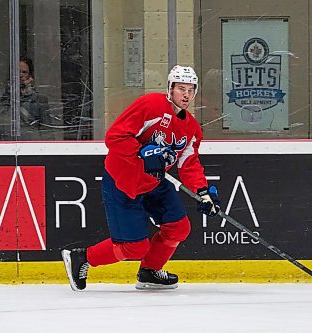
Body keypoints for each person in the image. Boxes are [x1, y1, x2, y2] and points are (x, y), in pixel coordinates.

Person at [61, 65, 221, 291]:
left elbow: (189, 163)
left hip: (155, 183)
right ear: (170, 89)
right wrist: (141, 153)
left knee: (179, 228)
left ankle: (149, 271)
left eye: (191, 90)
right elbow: (114, 138)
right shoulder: (151, 105)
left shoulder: (192, 129)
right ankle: (82, 258)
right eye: (181, 89)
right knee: (134, 247)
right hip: (123, 182)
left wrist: (203, 191)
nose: (186, 95)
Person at [0, 56, 53, 140]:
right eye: (17, 72)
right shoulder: (2, 98)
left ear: (30, 75)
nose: (21, 75)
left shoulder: (39, 99)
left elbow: (47, 132)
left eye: (24, 72)